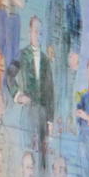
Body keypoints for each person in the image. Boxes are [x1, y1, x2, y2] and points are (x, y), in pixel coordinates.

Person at [6, 15, 53, 160]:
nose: (38, 35)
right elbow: (9, 75)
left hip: (43, 115)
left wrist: (50, 121)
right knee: (28, 153)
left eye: (41, 33)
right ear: (30, 32)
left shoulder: (45, 60)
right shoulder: (22, 54)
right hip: (28, 113)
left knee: (42, 156)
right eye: (36, 31)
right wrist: (17, 95)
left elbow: (51, 92)